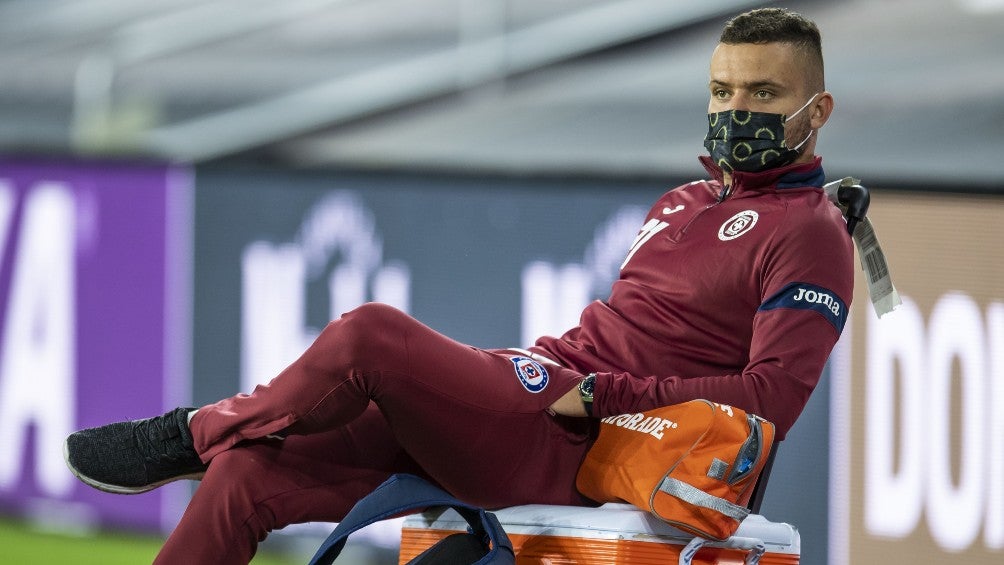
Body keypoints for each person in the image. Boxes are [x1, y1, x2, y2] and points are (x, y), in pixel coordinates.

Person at [64, 7, 853, 564]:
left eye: (763, 94)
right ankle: (222, 444)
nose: (735, 110)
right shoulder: (684, 199)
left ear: (816, 110)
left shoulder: (810, 233)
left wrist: (606, 393)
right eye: (723, 91)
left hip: (582, 436)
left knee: (371, 334)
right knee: (247, 476)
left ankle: (191, 431)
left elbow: (769, 400)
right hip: (539, 404)